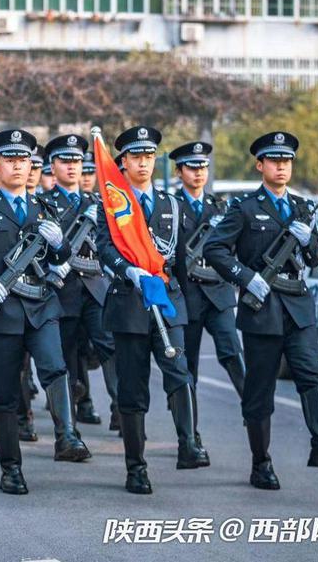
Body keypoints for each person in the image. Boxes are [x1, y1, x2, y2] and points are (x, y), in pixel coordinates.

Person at [0, 128, 90, 496]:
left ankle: (67, 435)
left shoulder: (46, 208)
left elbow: (60, 257)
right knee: (4, 393)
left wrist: (60, 247)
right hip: (1, 312)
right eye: (10, 160)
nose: (18, 166)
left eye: (24, 159)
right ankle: (11, 468)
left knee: (56, 368)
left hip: (42, 306)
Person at [204, 131, 318, 490]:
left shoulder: (300, 207)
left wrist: (308, 238)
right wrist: (246, 278)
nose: (282, 166)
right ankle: (261, 462)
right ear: (260, 165)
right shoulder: (244, 208)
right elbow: (216, 249)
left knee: (310, 374)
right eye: (275, 161)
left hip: (297, 308)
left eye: (287, 161)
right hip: (262, 309)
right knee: (260, 390)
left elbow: (314, 257)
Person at [97, 125, 204, 495]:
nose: (143, 162)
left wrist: (188, 307)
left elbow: (184, 261)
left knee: (179, 371)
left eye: (148, 156)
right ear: (122, 162)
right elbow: (104, 249)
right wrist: (129, 270)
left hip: (168, 299)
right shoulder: (110, 205)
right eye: (136, 156)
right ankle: (136, 467)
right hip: (129, 301)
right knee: (133, 388)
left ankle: (188, 442)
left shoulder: (172, 205)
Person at [171, 141, 245, 464]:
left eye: (202, 167)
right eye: (191, 167)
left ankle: (251, 408)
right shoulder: (171, 208)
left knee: (231, 350)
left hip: (218, 293)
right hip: (187, 296)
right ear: (179, 172)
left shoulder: (221, 208)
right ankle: (189, 436)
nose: (198, 173)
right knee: (188, 371)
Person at [44, 134, 118, 431]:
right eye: (65, 160)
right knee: (63, 356)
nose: (73, 166)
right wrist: (52, 262)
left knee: (109, 348)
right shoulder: (45, 203)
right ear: (53, 165)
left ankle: (123, 411)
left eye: (77, 160)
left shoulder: (98, 203)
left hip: (96, 287)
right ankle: (67, 428)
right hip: (62, 291)